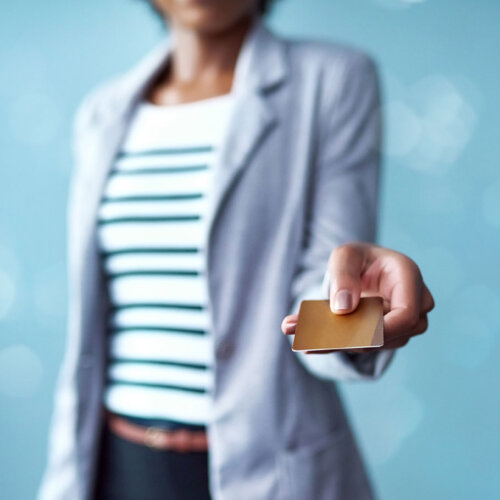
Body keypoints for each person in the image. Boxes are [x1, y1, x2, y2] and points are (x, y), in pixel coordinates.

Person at [38, 1, 434, 499]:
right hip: (115, 466)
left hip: (265, 473)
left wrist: (363, 310)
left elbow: (319, 299)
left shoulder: (332, 80)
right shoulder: (103, 113)